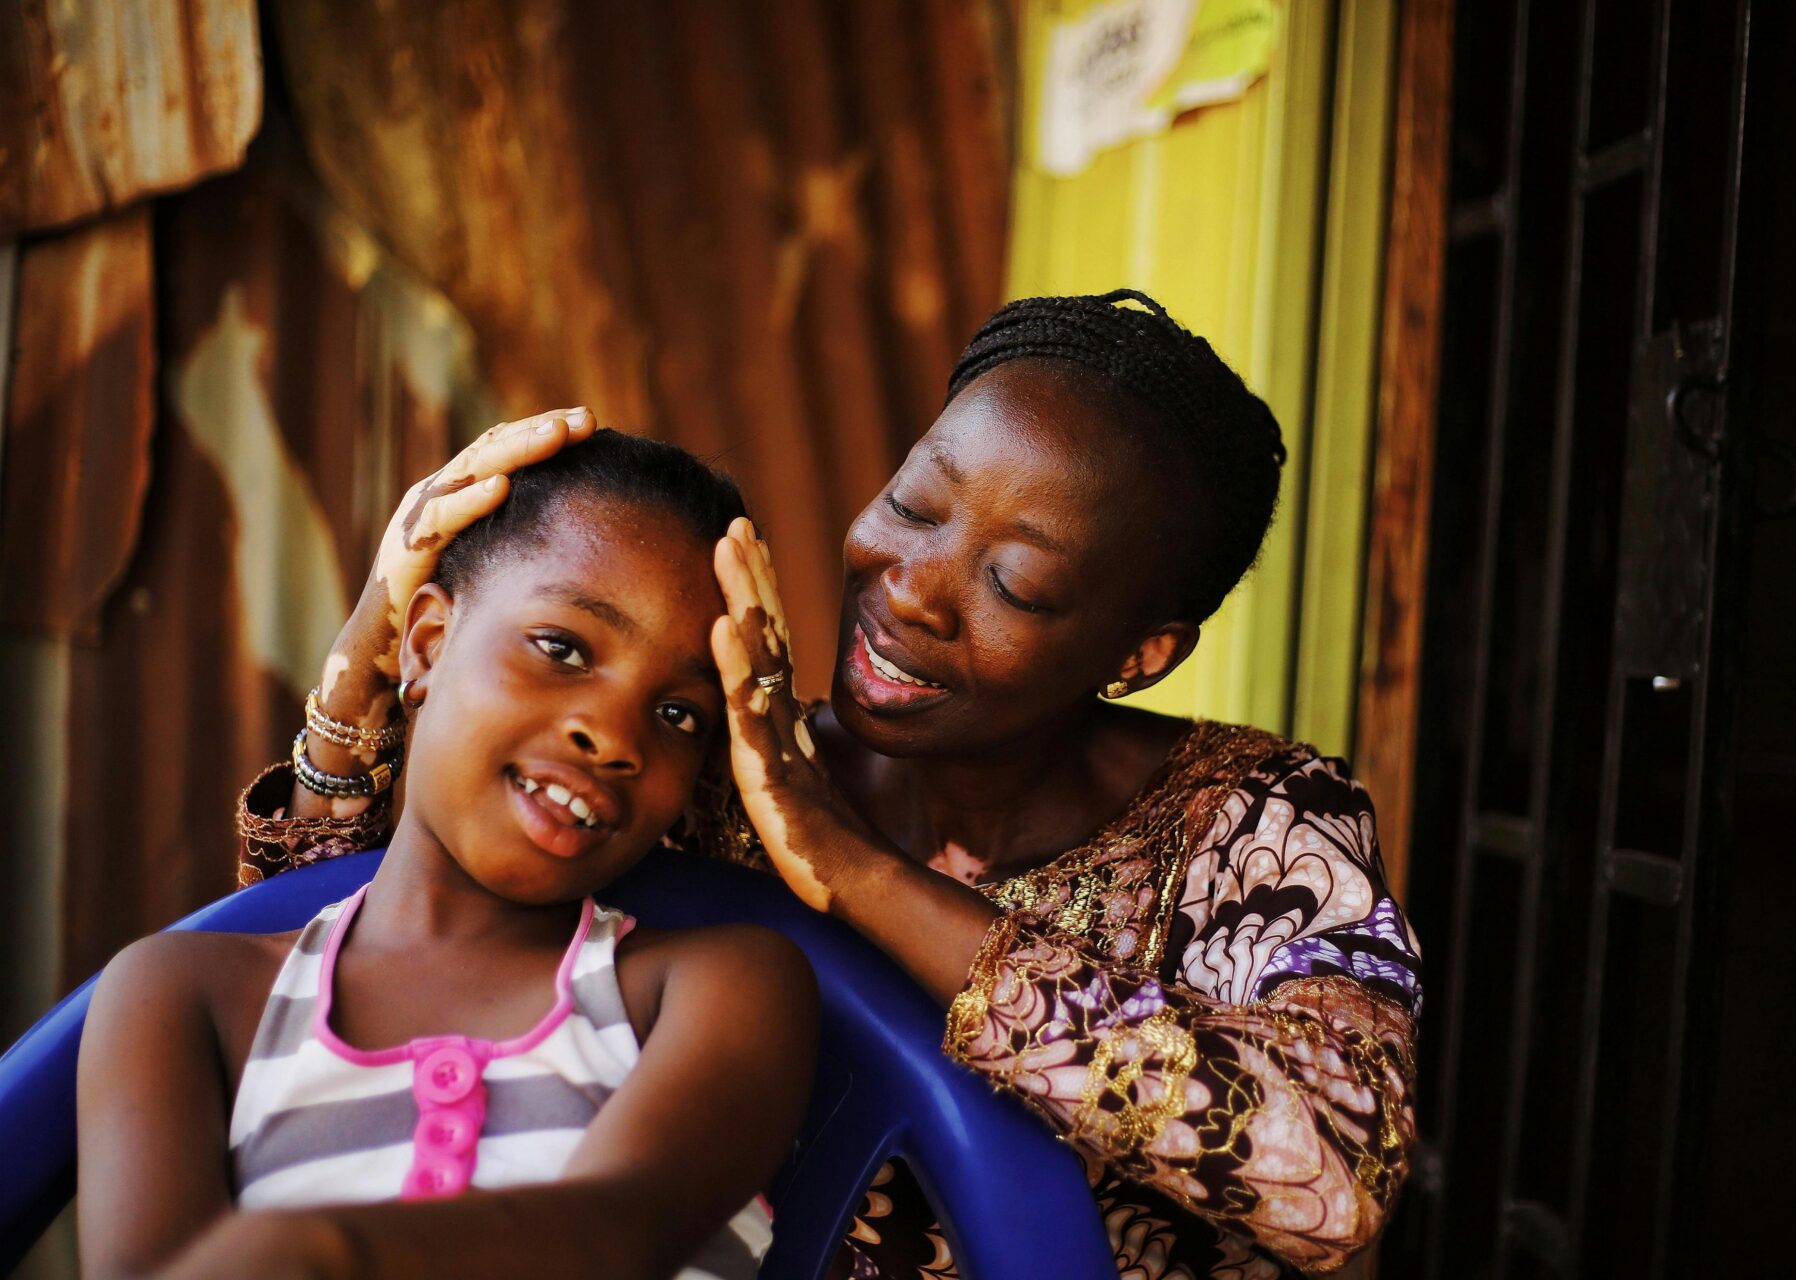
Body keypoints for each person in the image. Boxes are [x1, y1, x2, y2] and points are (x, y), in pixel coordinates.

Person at [241, 291, 1422, 1278]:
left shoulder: (1257, 822)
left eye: (1014, 581)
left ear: (1138, 651)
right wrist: (372, 655)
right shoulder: (717, 763)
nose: (913, 587)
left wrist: (849, 865)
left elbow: (1332, 1177)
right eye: (913, 504)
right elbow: (329, 960)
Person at [79, 434, 818, 1279]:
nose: (613, 737)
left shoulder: (718, 988)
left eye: (680, 714)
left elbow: (617, 1233)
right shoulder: (183, 995)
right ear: (425, 644)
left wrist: (320, 1251)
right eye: (563, 648)